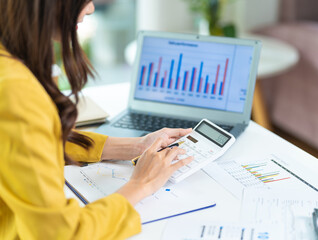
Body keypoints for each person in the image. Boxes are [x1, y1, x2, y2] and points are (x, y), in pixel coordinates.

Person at [0, 0, 193, 239]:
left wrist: (137, 146)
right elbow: (61, 234)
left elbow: (23, 142)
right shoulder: (16, 92)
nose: (91, 8)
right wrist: (141, 184)